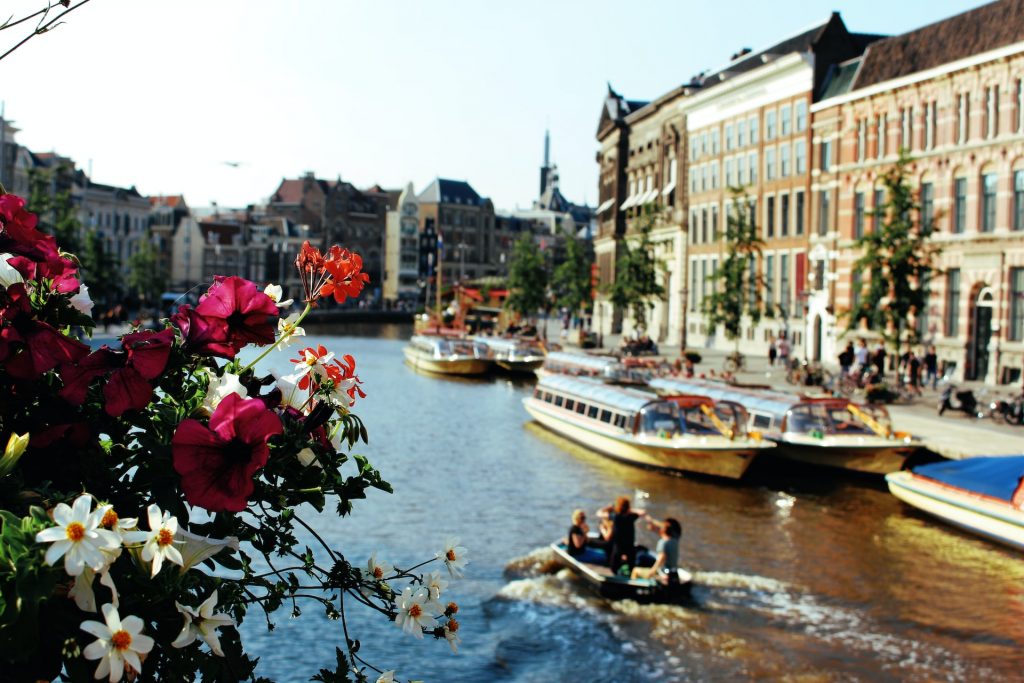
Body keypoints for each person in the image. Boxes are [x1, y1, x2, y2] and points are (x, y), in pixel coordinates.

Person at [598, 496, 645, 574]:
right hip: (630, 546)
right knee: (631, 567)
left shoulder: (616, 516)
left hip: (619, 547)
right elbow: (642, 512)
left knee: (613, 568)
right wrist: (629, 510)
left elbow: (599, 513)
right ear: (628, 507)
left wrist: (608, 507)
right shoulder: (631, 516)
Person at [631, 516, 682, 582]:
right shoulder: (674, 540)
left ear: (663, 529)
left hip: (664, 575)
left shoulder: (662, 543)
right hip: (674, 574)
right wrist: (652, 522)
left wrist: (651, 572)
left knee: (635, 570)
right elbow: (666, 530)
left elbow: (661, 559)